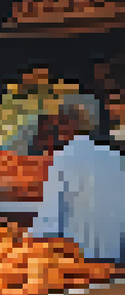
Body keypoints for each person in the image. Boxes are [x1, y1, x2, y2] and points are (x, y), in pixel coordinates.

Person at [33, 102, 125, 261]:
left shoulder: (63, 159)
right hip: (116, 259)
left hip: (76, 263)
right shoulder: (117, 159)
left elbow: (48, 219)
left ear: (63, 126)